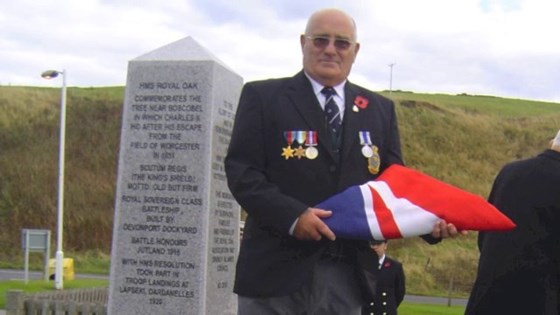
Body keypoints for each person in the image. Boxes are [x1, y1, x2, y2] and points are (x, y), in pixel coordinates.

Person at [225, 8, 460, 315]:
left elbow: (394, 186)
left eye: (342, 43)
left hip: (347, 275)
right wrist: (294, 216)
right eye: (320, 40)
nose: (330, 50)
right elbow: (242, 172)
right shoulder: (263, 97)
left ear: (355, 50)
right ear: (303, 43)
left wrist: (432, 223)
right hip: (275, 272)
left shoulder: (379, 109)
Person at [465, 130, 560, 315]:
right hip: (541, 302)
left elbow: (485, 234)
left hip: (488, 297)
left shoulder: (510, 172)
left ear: (552, 142)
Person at [362, 240, 405, 315]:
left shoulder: (395, 266)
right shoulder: (362, 266)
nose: (375, 247)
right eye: (372, 244)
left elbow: (400, 292)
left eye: (378, 244)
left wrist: (390, 307)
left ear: (385, 245)